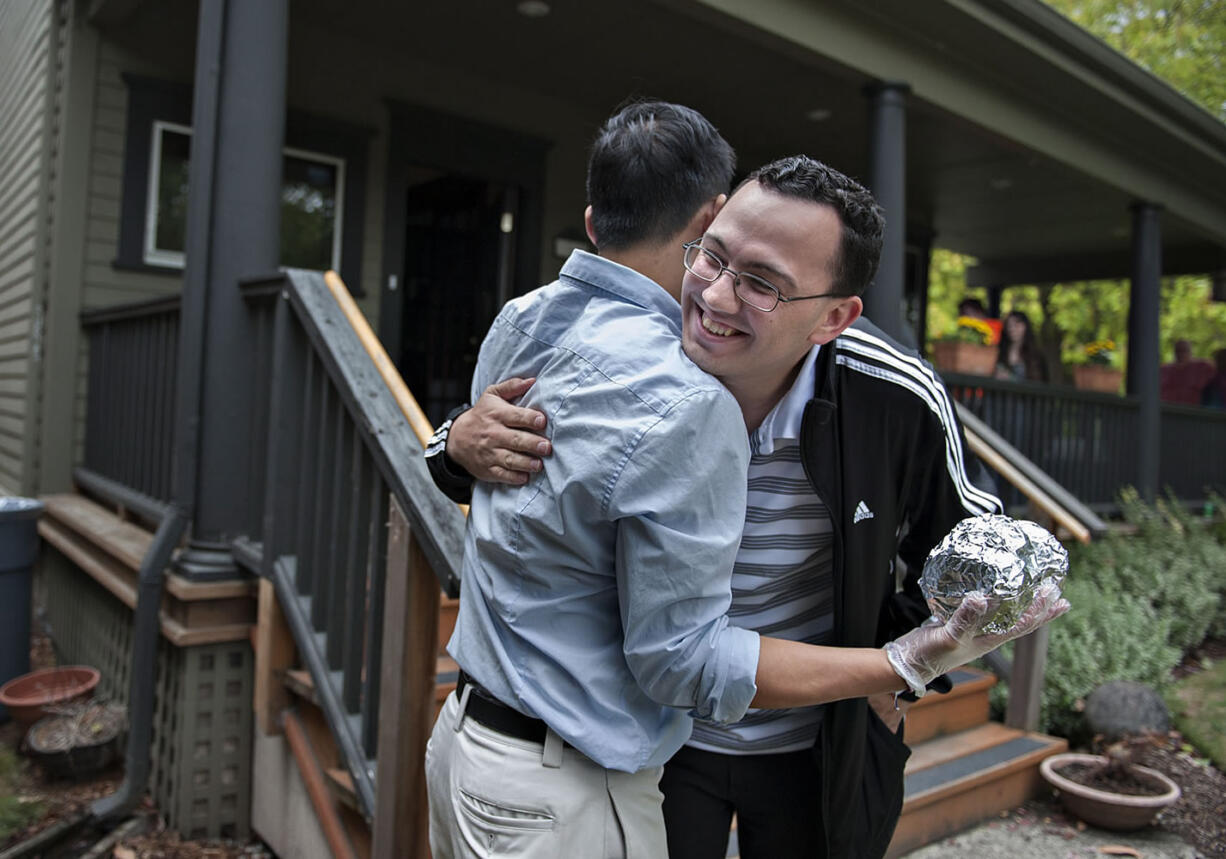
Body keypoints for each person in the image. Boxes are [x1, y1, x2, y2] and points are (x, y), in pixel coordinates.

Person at [427, 140, 1064, 858]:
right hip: (655, 739)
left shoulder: (892, 395)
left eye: (764, 283)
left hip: (814, 738)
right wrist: (454, 442)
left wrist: (898, 676)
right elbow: (528, 467)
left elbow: (969, 541)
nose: (714, 296)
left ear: (833, 318)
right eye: (712, 254)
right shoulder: (636, 346)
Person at [994, 310, 1048, 382]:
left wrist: (1010, 378)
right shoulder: (999, 352)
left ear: (1025, 326)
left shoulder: (1036, 356)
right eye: (1009, 325)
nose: (1012, 329)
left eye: (1017, 324)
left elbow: (1040, 382)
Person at [1160, 339, 1215, 405]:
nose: (1181, 354)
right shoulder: (1164, 370)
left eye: (1184, 350)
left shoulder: (1203, 366)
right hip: (1167, 410)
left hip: (1193, 411)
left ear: (1191, 352)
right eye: (1178, 351)